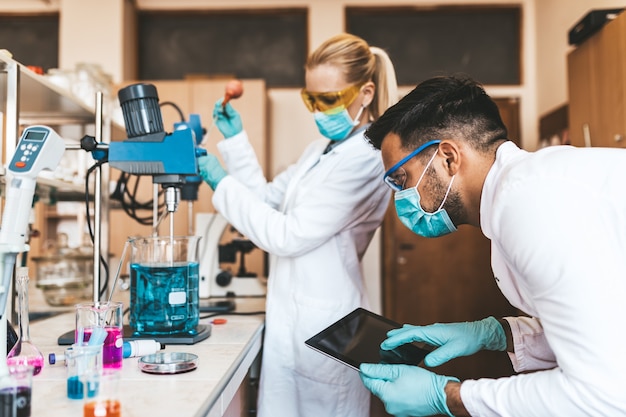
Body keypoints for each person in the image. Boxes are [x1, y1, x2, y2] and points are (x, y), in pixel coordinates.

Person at [358, 75, 626, 417]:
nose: (401, 197)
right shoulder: (525, 190)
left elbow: (601, 393)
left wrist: (449, 396)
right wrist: (495, 334)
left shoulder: (530, 203)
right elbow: (602, 329)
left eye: (401, 179)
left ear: (449, 158)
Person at [197, 33, 398, 417]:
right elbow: (268, 198)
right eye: (311, 100)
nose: (319, 111)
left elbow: (287, 235)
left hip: (328, 324)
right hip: (293, 318)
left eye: (329, 100)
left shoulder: (368, 158)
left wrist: (220, 182)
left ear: (366, 93)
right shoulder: (319, 151)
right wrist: (237, 141)